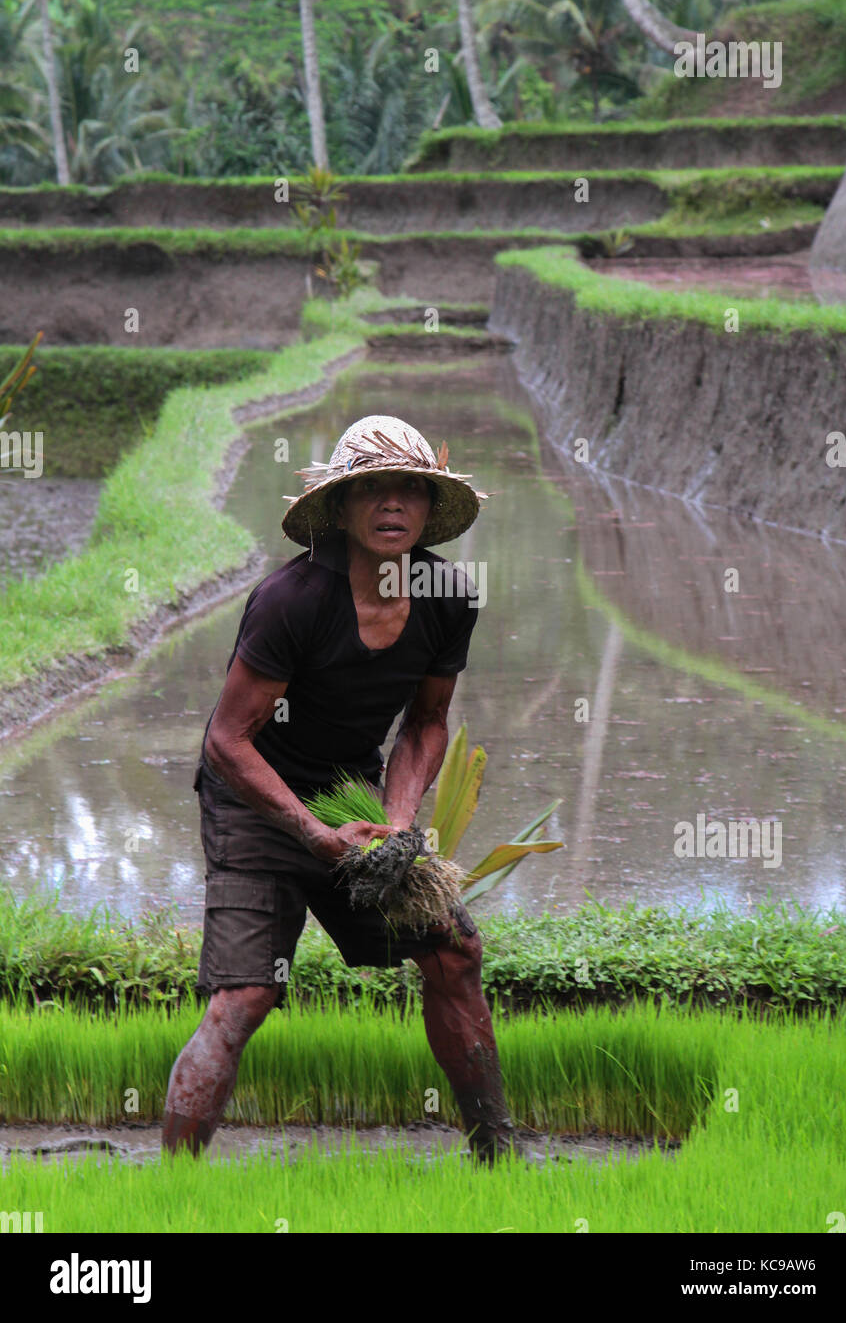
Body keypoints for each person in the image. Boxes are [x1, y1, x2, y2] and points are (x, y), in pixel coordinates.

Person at [162, 414, 520, 1163]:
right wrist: (311, 834)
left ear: (428, 509)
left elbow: (427, 723)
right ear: (343, 505)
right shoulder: (293, 601)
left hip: (354, 802)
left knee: (455, 954)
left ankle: (500, 1155)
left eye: (410, 491)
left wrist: (396, 821)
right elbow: (227, 741)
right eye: (373, 490)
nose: (392, 506)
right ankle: (173, 1186)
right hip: (255, 802)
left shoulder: (447, 599)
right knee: (246, 996)